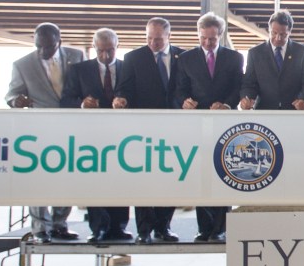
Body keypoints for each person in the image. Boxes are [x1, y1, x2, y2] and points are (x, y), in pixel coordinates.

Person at [5, 22, 84, 241]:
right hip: (39, 131)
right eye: (38, 46)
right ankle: (40, 228)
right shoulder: (22, 65)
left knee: (67, 177)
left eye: (48, 47)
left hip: (71, 129)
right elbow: (12, 93)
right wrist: (15, 100)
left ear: (59, 40)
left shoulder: (76, 56)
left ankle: (60, 224)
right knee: (38, 180)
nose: (42, 51)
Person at [113, 17, 184, 243]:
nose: (153, 42)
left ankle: (164, 227)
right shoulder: (133, 58)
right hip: (143, 130)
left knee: (172, 178)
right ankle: (143, 230)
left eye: (158, 39)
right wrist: (121, 99)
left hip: (174, 128)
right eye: (149, 38)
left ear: (169, 36)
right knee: (143, 179)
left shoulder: (183, 56)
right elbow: (124, 88)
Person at [175, 12, 244, 242]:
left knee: (225, 172)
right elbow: (180, 89)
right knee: (202, 175)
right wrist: (184, 102)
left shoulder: (234, 58)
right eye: (203, 38)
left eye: (212, 39)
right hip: (198, 124)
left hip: (225, 125)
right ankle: (204, 228)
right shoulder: (185, 59)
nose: (207, 43)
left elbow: (238, 88)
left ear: (221, 36)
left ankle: (222, 228)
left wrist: (226, 104)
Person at [62, 28, 132, 242]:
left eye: (110, 50)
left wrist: (126, 102)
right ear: (94, 48)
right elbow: (66, 100)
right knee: (95, 182)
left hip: (122, 135)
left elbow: (138, 94)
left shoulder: (128, 68)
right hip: (91, 137)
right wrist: (82, 104)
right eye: (101, 51)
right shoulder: (79, 70)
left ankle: (119, 227)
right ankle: (99, 228)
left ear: (117, 47)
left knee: (121, 180)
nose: (105, 56)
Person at [239, 10, 304, 111]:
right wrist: (247, 98)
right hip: (264, 111)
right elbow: (249, 83)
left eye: (283, 34)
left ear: (289, 32)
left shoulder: (302, 52)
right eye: (274, 33)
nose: (278, 38)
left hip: (294, 111)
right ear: (269, 29)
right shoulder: (255, 53)